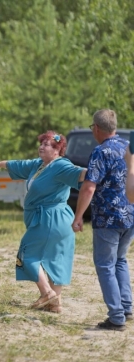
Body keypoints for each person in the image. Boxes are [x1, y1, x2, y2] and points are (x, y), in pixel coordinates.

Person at [0, 132, 86, 313]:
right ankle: (55, 304)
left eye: (47, 145)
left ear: (58, 150)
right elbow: (19, 164)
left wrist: (100, 170)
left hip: (50, 219)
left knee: (26, 255)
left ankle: (47, 293)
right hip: (54, 219)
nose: (41, 147)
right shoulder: (40, 165)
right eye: (41, 143)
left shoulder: (61, 166)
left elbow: (81, 174)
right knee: (55, 259)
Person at [72, 109, 134, 331]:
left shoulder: (101, 152)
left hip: (108, 218)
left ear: (96, 128)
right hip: (130, 215)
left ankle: (116, 317)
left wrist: (78, 217)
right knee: (120, 260)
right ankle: (126, 308)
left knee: (106, 265)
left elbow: (89, 187)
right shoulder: (129, 147)